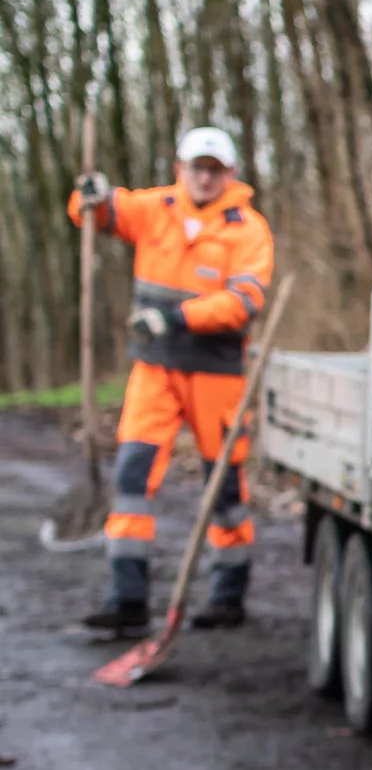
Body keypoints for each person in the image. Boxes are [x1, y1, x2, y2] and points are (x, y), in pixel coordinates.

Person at [69, 126, 275, 631]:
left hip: (217, 375)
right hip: (155, 369)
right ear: (180, 168)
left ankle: (228, 596)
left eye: (214, 169)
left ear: (230, 175)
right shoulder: (157, 207)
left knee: (224, 486)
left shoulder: (248, 230)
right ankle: (127, 599)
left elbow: (243, 301)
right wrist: (86, 196)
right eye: (196, 167)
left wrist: (177, 318)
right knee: (133, 477)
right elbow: (99, 212)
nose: (204, 177)